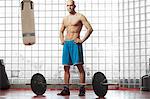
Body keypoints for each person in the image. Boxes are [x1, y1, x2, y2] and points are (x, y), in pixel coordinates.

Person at [57, 0, 93, 96]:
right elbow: (61, 31)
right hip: (67, 44)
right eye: (67, 5)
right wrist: (62, 40)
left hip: (75, 43)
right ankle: (66, 89)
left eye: (71, 5)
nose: (69, 7)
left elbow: (90, 29)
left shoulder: (80, 16)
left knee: (79, 67)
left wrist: (82, 40)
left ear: (74, 6)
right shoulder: (65, 19)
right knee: (66, 67)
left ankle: (82, 89)